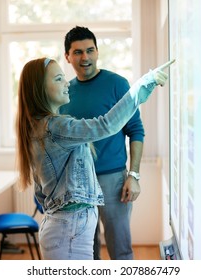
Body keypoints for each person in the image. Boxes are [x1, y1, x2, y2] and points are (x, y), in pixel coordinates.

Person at [15, 57, 170, 260]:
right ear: (39, 89)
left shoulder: (41, 126)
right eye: (59, 79)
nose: (66, 83)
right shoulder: (55, 127)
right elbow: (105, 125)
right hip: (67, 232)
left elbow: (40, 191)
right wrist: (141, 86)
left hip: (64, 229)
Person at [61, 26, 142, 259]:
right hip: (77, 182)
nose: (85, 57)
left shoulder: (117, 84)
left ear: (97, 52)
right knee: (87, 252)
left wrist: (133, 175)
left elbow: (136, 131)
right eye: (77, 52)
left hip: (113, 181)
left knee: (121, 251)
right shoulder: (64, 93)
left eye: (90, 50)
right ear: (67, 56)